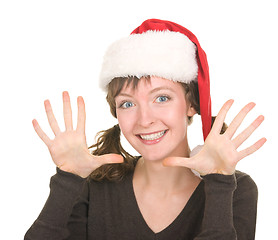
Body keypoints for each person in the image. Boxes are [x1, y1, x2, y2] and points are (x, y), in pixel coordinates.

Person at [24, 19, 266, 240]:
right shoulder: (94, 186)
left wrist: (219, 182)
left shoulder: (236, 190)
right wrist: (68, 179)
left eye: (161, 98)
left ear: (192, 104)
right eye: (127, 104)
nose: (144, 120)